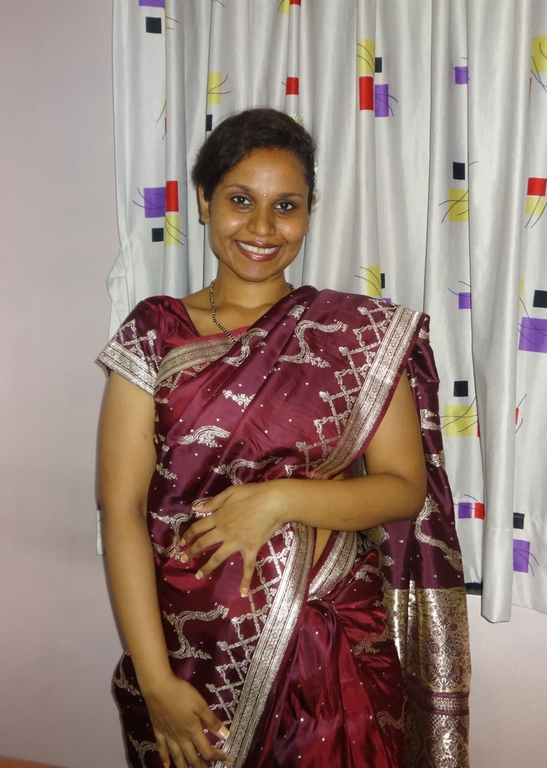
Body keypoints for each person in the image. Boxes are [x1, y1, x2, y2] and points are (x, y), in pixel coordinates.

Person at [98, 108, 470, 768]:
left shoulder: (354, 335)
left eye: (286, 206)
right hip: (189, 663)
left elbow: (402, 488)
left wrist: (278, 500)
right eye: (241, 200)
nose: (263, 228)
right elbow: (121, 509)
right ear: (205, 201)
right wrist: (155, 684)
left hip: (333, 653)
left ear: (309, 211)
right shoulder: (155, 334)